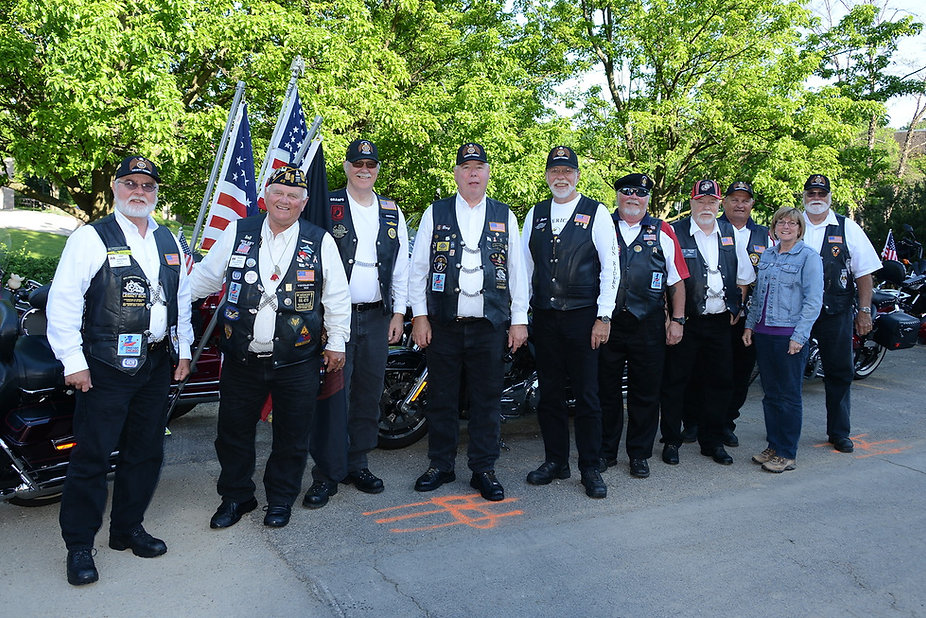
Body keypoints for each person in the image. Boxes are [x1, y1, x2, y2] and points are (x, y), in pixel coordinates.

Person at [46, 155, 194, 586]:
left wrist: (182, 351)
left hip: (155, 363)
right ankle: (78, 546)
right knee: (92, 457)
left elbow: (179, 301)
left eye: (147, 186)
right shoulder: (91, 238)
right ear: (115, 188)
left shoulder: (169, 240)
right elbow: (64, 303)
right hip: (105, 366)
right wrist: (73, 362)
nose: (139, 191)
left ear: (155, 193)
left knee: (146, 452)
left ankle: (127, 530)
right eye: (130, 183)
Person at [189, 166, 351, 529]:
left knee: (292, 437)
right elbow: (203, 279)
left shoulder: (320, 240)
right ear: (265, 194)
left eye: (294, 195)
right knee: (232, 433)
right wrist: (173, 301)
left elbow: (337, 297)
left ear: (304, 202)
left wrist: (337, 341)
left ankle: (280, 500)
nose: (285, 200)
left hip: (298, 361)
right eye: (279, 192)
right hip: (241, 359)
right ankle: (236, 497)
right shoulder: (238, 231)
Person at [408, 142, 528, 502]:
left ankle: (483, 469)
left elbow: (518, 273)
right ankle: (440, 465)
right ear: (457, 174)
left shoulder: (505, 215)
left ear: (488, 173)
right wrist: (419, 317)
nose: (473, 173)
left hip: (489, 325)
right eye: (466, 168)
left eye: (479, 167)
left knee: (485, 400)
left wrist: (518, 321)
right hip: (443, 324)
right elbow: (419, 271)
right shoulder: (436, 212)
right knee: (441, 399)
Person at [303, 139, 409, 508]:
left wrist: (399, 313)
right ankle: (325, 473)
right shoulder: (327, 204)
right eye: (358, 163)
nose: (365, 170)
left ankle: (357, 463)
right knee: (333, 394)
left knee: (367, 392)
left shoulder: (393, 211)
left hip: (378, 315)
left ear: (377, 169)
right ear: (346, 167)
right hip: (336, 318)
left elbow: (401, 267)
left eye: (371, 164)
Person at [522, 145, 619, 498]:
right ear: (547, 175)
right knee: (549, 394)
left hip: (583, 319)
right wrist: (522, 315)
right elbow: (524, 270)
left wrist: (603, 315)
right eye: (554, 171)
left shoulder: (597, 212)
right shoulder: (535, 213)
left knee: (587, 396)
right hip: (546, 319)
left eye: (567, 171)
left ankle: (590, 467)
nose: (560, 177)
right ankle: (555, 461)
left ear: (577, 175)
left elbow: (611, 268)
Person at [660, 179, 755, 466]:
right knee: (675, 383)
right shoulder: (675, 233)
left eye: (711, 201)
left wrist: (736, 306)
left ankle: (712, 442)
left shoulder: (730, 233)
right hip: (686, 322)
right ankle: (671, 441)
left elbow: (745, 277)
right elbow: (664, 282)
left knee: (720, 382)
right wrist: (670, 319)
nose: (706, 206)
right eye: (700, 201)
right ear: (691, 203)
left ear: (718, 204)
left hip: (719, 323)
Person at [599, 173, 686, 479]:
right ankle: (606, 452)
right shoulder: (602, 226)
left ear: (648, 199)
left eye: (639, 193)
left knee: (645, 393)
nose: (633, 198)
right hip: (608, 322)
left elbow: (676, 280)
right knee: (606, 391)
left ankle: (639, 454)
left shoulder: (663, 230)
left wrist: (677, 320)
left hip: (648, 324)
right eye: (626, 192)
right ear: (618, 196)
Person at [801, 174, 881, 453]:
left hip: (835, 311)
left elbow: (864, 273)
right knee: (790, 374)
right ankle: (785, 433)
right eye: (811, 194)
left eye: (821, 194)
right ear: (804, 197)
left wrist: (863, 311)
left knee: (839, 372)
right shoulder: (791, 224)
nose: (816, 199)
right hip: (797, 314)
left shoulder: (848, 228)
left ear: (829, 197)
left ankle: (839, 432)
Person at [743, 207, 823, 472]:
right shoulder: (767, 255)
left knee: (789, 396)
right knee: (771, 395)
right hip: (765, 335)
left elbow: (813, 302)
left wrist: (799, 336)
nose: (786, 227)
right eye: (781, 222)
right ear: (774, 227)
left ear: (800, 229)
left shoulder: (808, 258)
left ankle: (788, 453)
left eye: (792, 223)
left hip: (789, 336)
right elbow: (758, 298)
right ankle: (774, 446)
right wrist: (749, 327)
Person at [715, 181, 771, 446]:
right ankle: (694, 422)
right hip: (714, 312)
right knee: (706, 370)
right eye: (734, 199)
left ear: (752, 205)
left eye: (745, 200)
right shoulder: (710, 227)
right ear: (724, 202)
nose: (739, 204)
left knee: (740, 372)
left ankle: (726, 422)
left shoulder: (765, 235)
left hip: (749, 316)